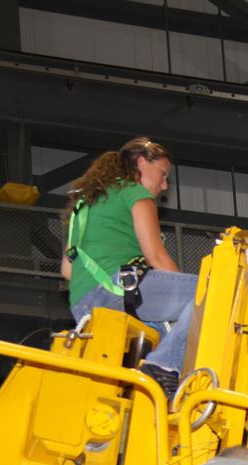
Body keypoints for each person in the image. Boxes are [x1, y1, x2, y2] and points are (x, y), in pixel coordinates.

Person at [60, 137, 195, 396]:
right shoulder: (135, 193)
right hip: (119, 291)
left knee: (165, 333)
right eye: (163, 174)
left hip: (83, 306)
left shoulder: (83, 205)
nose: (164, 185)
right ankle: (163, 366)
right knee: (212, 294)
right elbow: (157, 258)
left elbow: (67, 271)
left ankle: (157, 383)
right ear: (142, 162)